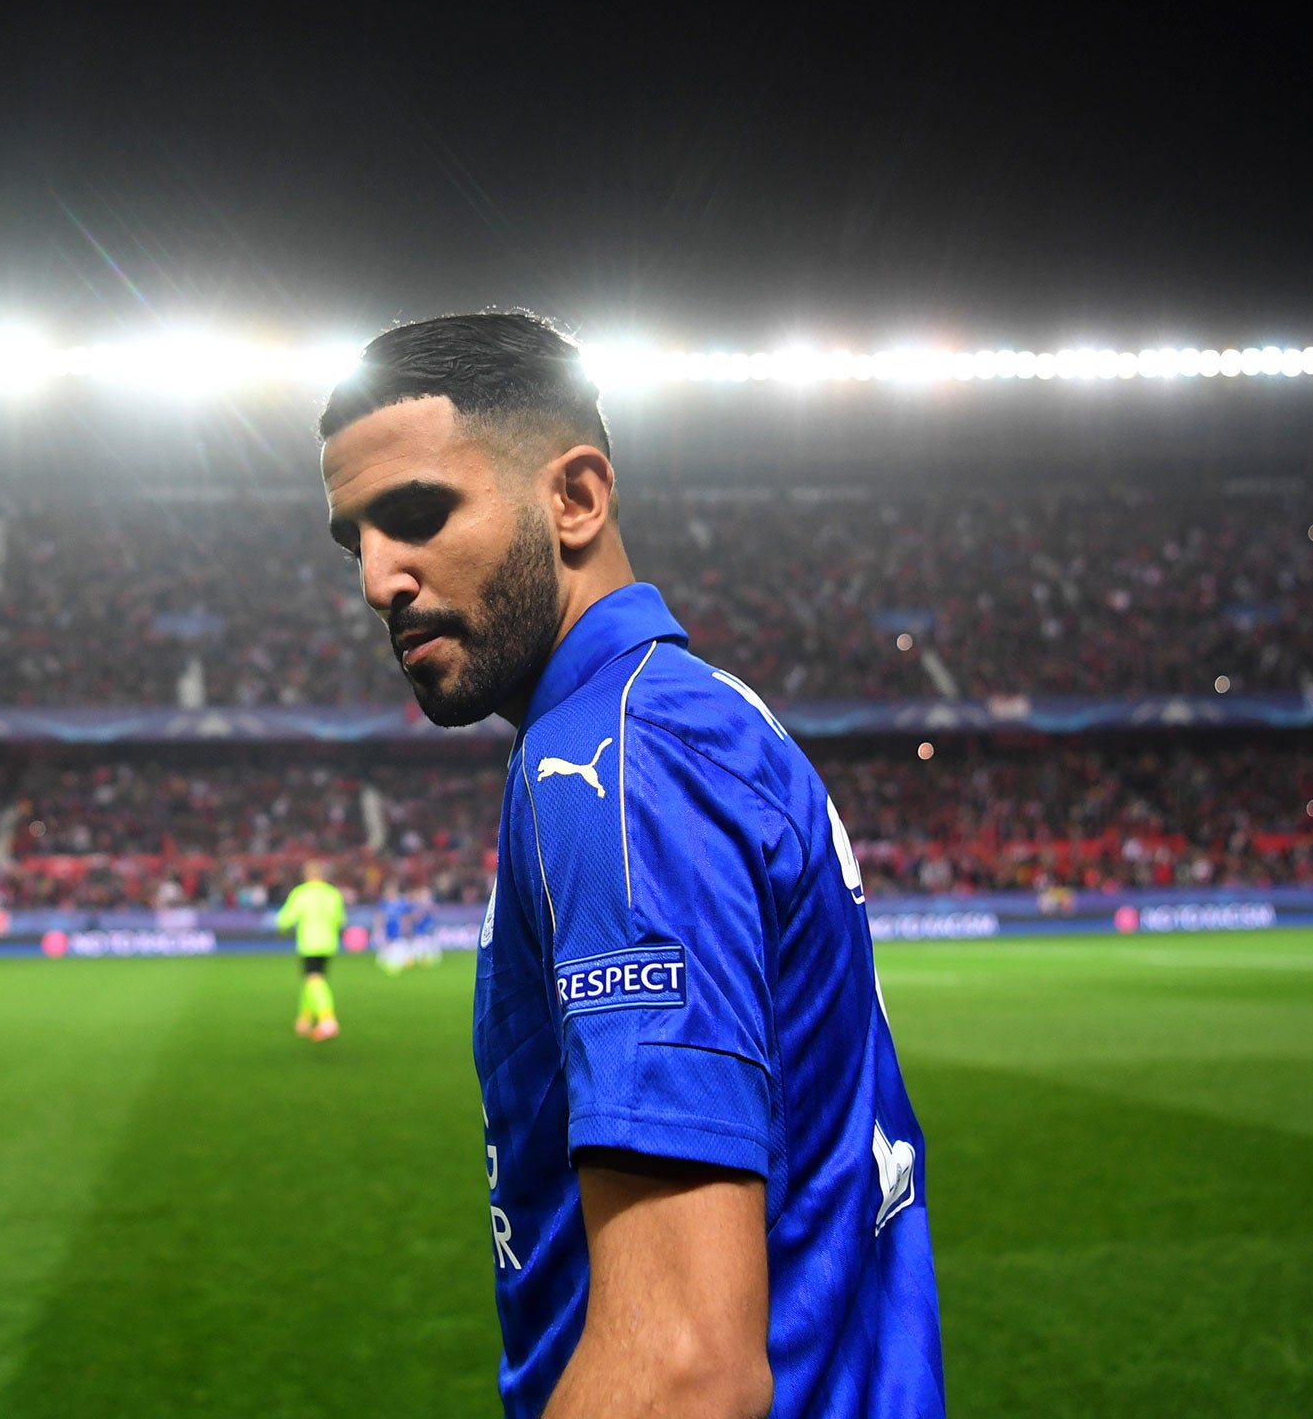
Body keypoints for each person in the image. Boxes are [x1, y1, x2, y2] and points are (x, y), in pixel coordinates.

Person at [321, 312, 943, 1418]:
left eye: (416, 514)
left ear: (574, 497)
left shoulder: (615, 762)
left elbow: (682, 1366)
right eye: (353, 539)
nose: (378, 579)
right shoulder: (675, 713)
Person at [275, 861, 346, 1041]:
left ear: (306, 875)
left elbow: (285, 919)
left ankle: (327, 1020)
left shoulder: (302, 893)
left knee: (313, 979)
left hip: (310, 943)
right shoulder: (333, 894)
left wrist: (282, 928)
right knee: (313, 980)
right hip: (329, 943)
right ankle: (304, 1019)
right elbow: (340, 919)